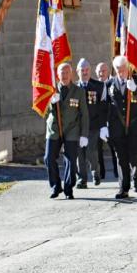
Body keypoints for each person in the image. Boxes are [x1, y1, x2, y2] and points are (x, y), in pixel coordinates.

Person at [106, 56, 137, 199]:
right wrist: (103, 126)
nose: (120, 71)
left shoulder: (136, 80)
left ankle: (136, 176)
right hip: (116, 127)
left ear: (128, 68)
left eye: (123, 68)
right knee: (121, 159)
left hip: (133, 126)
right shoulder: (109, 84)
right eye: (118, 69)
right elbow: (105, 106)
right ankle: (123, 188)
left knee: (135, 156)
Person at [44, 63, 89, 199]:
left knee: (70, 160)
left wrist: (84, 135)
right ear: (57, 75)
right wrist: (51, 103)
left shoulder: (79, 91)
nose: (64, 76)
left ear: (71, 74)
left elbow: (84, 114)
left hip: (72, 129)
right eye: (61, 73)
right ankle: (56, 186)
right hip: (54, 129)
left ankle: (69, 188)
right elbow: (43, 112)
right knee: (48, 158)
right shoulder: (51, 90)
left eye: (67, 73)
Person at [76, 58, 108, 188]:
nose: (84, 72)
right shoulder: (74, 88)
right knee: (79, 153)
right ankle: (81, 179)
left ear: (90, 71)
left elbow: (104, 108)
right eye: (82, 70)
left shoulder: (99, 86)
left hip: (93, 126)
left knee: (91, 151)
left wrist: (103, 126)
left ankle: (95, 173)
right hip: (78, 127)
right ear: (77, 72)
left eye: (87, 70)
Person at [95, 62, 118, 179]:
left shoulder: (114, 83)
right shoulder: (94, 85)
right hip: (98, 123)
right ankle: (101, 173)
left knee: (115, 149)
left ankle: (117, 172)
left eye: (103, 71)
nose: (101, 73)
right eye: (99, 71)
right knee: (98, 149)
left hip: (112, 122)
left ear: (108, 71)